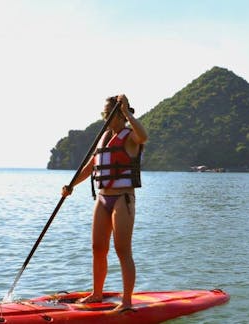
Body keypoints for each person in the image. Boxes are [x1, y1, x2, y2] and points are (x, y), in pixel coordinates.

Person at [62, 94, 148, 312]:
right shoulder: (104, 137)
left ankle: (127, 303)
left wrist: (128, 112)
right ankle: (97, 294)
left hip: (122, 198)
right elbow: (92, 165)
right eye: (103, 114)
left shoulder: (130, 136)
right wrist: (71, 185)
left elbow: (144, 136)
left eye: (107, 113)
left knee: (122, 249)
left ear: (118, 114)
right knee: (98, 248)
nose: (104, 118)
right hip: (102, 198)